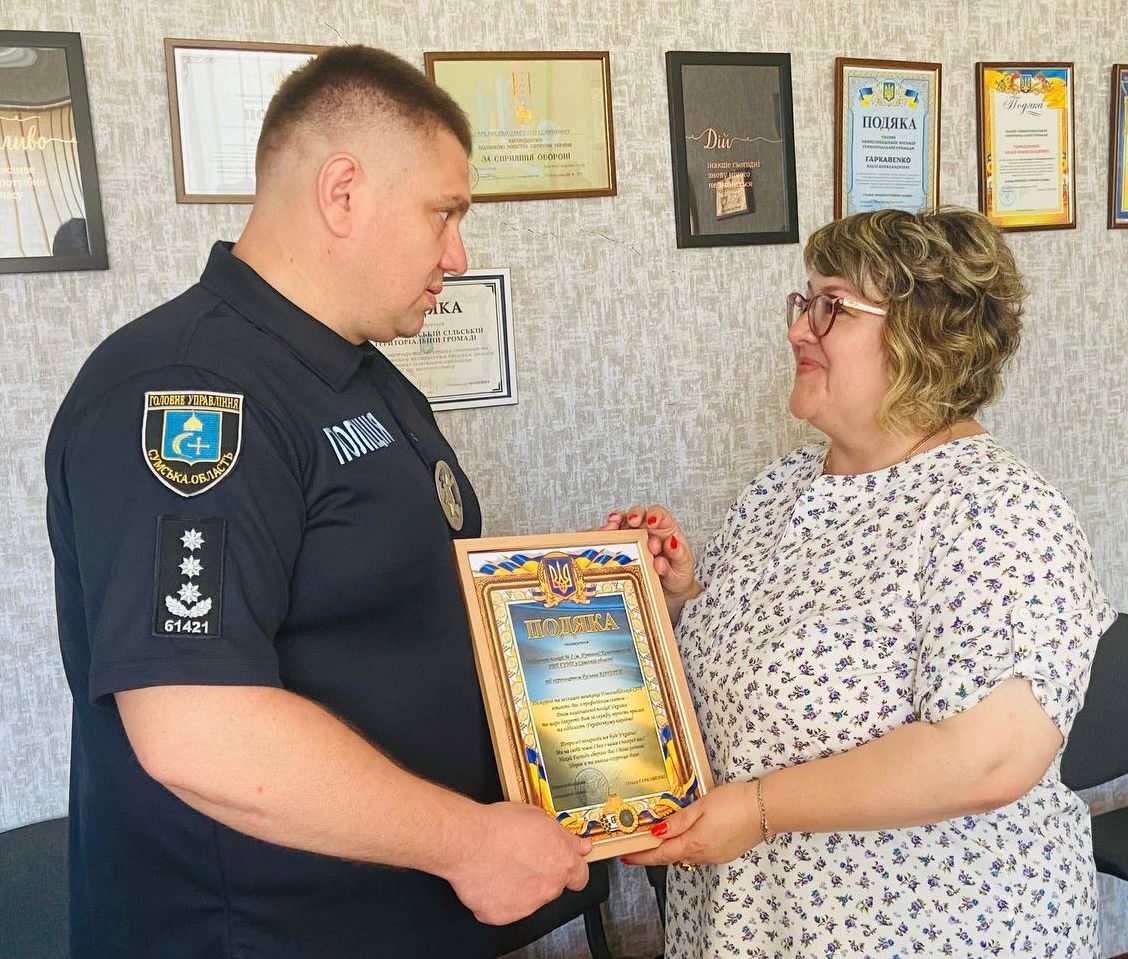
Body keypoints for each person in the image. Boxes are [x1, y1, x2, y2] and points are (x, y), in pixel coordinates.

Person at [45, 46, 589, 959]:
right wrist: (467, 841)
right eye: (445, 212)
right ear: (343, 192)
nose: (457, 255)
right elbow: (197, 727)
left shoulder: (360, 376)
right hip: (256, 934)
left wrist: (606, 589)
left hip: (400, 915)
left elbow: (404, 602)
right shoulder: (190, 392)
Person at [607, 207, 1115, 957]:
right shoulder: (783, 486)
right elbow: (771, 663)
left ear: (924, 335)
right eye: (804, 302)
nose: (797, 329)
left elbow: (991, 754)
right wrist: (681, 599)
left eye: (832, 307)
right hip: (758, 920)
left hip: (932, 929)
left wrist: (759, 808)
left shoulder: (998, 510)